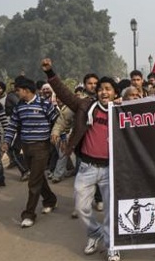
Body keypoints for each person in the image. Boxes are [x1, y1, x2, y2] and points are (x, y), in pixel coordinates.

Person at [40, 58, 121, 261]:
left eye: (108, 89)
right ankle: (94, 234)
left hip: (111, 168)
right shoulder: (85, 105)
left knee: (111, 211)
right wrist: (51, 73)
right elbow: (65, 95)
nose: (103, 91)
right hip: (87, 167)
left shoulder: (124, 112)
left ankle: (112, 246)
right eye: (101, 88)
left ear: (115, 93)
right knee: (80, 207)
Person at [1, 77, 59, 228]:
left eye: (18, 90)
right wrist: (6, 141)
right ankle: (50, 200)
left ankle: (29, 214)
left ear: (26, 90)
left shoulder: (44, 104)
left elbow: (57, 121)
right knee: (38, 177)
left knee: (33, 181)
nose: (16, 93)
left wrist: (61, 138)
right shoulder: (19, 106)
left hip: (42, 147)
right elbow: (12, 125)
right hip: (26, 147)